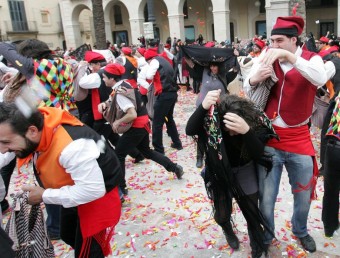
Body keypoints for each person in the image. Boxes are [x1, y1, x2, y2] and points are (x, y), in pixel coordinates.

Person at [244, 16, 327, 252]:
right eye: (272, 40)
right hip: (270, 138)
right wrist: (253, 78)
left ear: (294, 40)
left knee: (303, 194)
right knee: (267, 197)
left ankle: (300, 230)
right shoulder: (267, 57)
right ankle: (267, 234)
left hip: (299, 138)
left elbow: (319, 78)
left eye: (279, 41)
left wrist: (290, 58)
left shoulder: (313, 59)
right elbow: (249, 88)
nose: (274, 45)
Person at [0, 102, 123, 257]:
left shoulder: (72, 147)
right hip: (71, 189)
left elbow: (93, 190)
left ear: (32, 131)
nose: (3, 149)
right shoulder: (36, 126)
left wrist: (44, 195)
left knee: (88, 251)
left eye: (6, 142)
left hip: (95, 200)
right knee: (67, 233)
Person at [186, 90, 276, 258]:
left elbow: (258, 153)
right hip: (219, 171)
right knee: (221, 213)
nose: (232, 134)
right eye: (228, 130)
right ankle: (228, 229)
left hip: (244, 169)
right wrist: (203, 106)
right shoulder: (214, 119)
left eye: (235, 130)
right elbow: (190, 129)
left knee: (252, 214)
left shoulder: (254, 120)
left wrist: (246, 131)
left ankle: (256, 246)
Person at [98, 64, 184, 192]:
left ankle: (121, 188)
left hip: (136, 126)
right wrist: (104, 103)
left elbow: (132, 114)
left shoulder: (120, 92)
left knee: (119, 154)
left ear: (112, 78)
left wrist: (118, 122)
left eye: (104, 77)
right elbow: (112, 98)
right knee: (146, 151)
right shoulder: (124, 85)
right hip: (143, 124)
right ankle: (175, 167)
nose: (103, 80)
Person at [143, 48, 183, 154]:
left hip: (164, 94)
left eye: (148, 61)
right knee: (169, 119)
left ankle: (158, 149)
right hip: (172, 93)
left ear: (149, 59)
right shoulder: (163, 60)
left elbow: (148, 76)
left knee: (157, 122)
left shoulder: (154, 62)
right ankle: (177, 143)